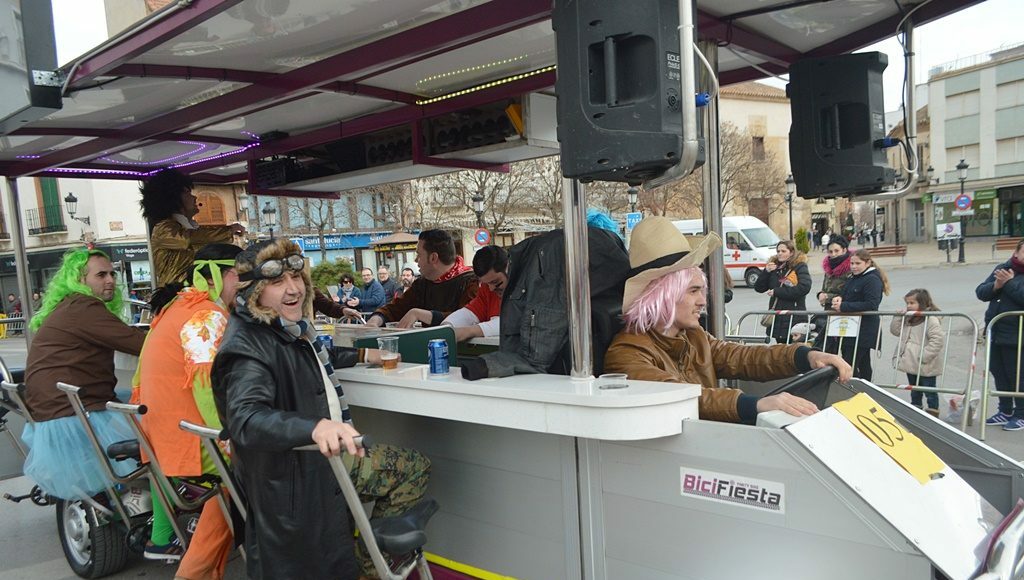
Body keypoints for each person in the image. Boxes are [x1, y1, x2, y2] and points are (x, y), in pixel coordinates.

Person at [211, 239, 430, 579]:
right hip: (301, 476)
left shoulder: (280, 329)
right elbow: (246, 418)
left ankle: (368, 563)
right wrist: (315, 427)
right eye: (277, 281)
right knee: (413, 468)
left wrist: (363, 355)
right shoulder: (246, 347)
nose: (293, 289)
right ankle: (371, 567)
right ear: (253, 291)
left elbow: (311, 355)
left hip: (303, 469)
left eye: (296, 277)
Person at [603, 217, 851, 424]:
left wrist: (806, 356)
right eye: (693, 291)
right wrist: (756, 404)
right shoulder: (627, 353)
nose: (702, 301)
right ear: (663, 295)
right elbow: (680, 397)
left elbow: (742, 357)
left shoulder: (692, 336)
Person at [132, 244, 242, 573]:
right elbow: (208, 390)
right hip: (190, 443)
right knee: (256, 466)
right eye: (239, 275)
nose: (245, 283)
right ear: (220, 275)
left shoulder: (176, 305)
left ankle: (178, 550)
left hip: (160, 440)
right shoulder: (205, 314)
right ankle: (196, 571)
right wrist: (232, 441)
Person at [20, 249, 146, 499]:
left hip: (55, 408)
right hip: (73, 413)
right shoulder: (84, 307)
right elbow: (139, 343)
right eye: (101, 275)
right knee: (159, 416)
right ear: (80, 279)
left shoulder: (70, 305)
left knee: (129, 395)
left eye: (112, 274)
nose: (110, 280)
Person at [315, 230, 478, 328]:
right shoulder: (422, 283)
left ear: (433, 258)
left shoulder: (470, 282)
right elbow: (397, 307)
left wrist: (421, 314)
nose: (416, 260)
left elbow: (468, 318)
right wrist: (376, 319)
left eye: (419, 255)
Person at [140, 168, 245, 287]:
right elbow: (189, 238)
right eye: (187, 193)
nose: (194, 197)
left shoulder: (186, 226)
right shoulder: (163, 229)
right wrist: (227, 231)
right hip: (176, 292)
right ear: (173, 198)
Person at [978, 240, 1024, 431]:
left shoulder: (1010, 277)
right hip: (995, 332)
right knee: (998, 372)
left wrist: (1009, 283)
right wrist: (996, 285)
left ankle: (1021, 413)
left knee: (1017, 376)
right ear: (1016, 252)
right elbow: (981, 292)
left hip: (1017, 335)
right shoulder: (1003, 268)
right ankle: (1005, 410)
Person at [831, 249, 890, 381]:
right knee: (862, 363)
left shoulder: (872, 279)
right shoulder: (852, 277)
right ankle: (864, 388)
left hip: (864, 329)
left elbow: (872, 304)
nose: (854, 267)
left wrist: (844, 306)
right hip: (851, 328)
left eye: (858, 263)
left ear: (867, 263)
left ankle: (855, 387)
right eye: (852, 263)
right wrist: (839, 298)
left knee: (849, 363)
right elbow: (847, 294)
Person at [890, 289, 945, 417]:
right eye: (907, 303)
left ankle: (933, 411)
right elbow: (896, 331)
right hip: (911, 361)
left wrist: (924, 356)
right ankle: (916, 408)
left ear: (922, 303)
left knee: (929, 389)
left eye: (912, 303)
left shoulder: (930, 320)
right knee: (914, 388)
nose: (908, 306)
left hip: (925, 363)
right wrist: (898, 317)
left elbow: (937, 340)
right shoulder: (909, 318)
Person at [441, 245, 508, 342]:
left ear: (509, 270)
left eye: (496, 282)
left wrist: (469, 331)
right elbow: (469, 313)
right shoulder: (487, 289)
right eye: (486, 284)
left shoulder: (527, 288)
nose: (491, 289)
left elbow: (516, 320)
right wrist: (447, 326)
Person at [754, 240, 811, 344]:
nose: (780, 253)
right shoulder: (775, 267)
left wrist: (777, 292)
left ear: (791, 252)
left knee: (795, 349)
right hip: (778, 316)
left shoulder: (799, 267)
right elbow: (759, 288)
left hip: (795, 315)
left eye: (783, 251)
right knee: (781, 348)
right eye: (778, 251)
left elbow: (804, 287)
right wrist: (766, 272)